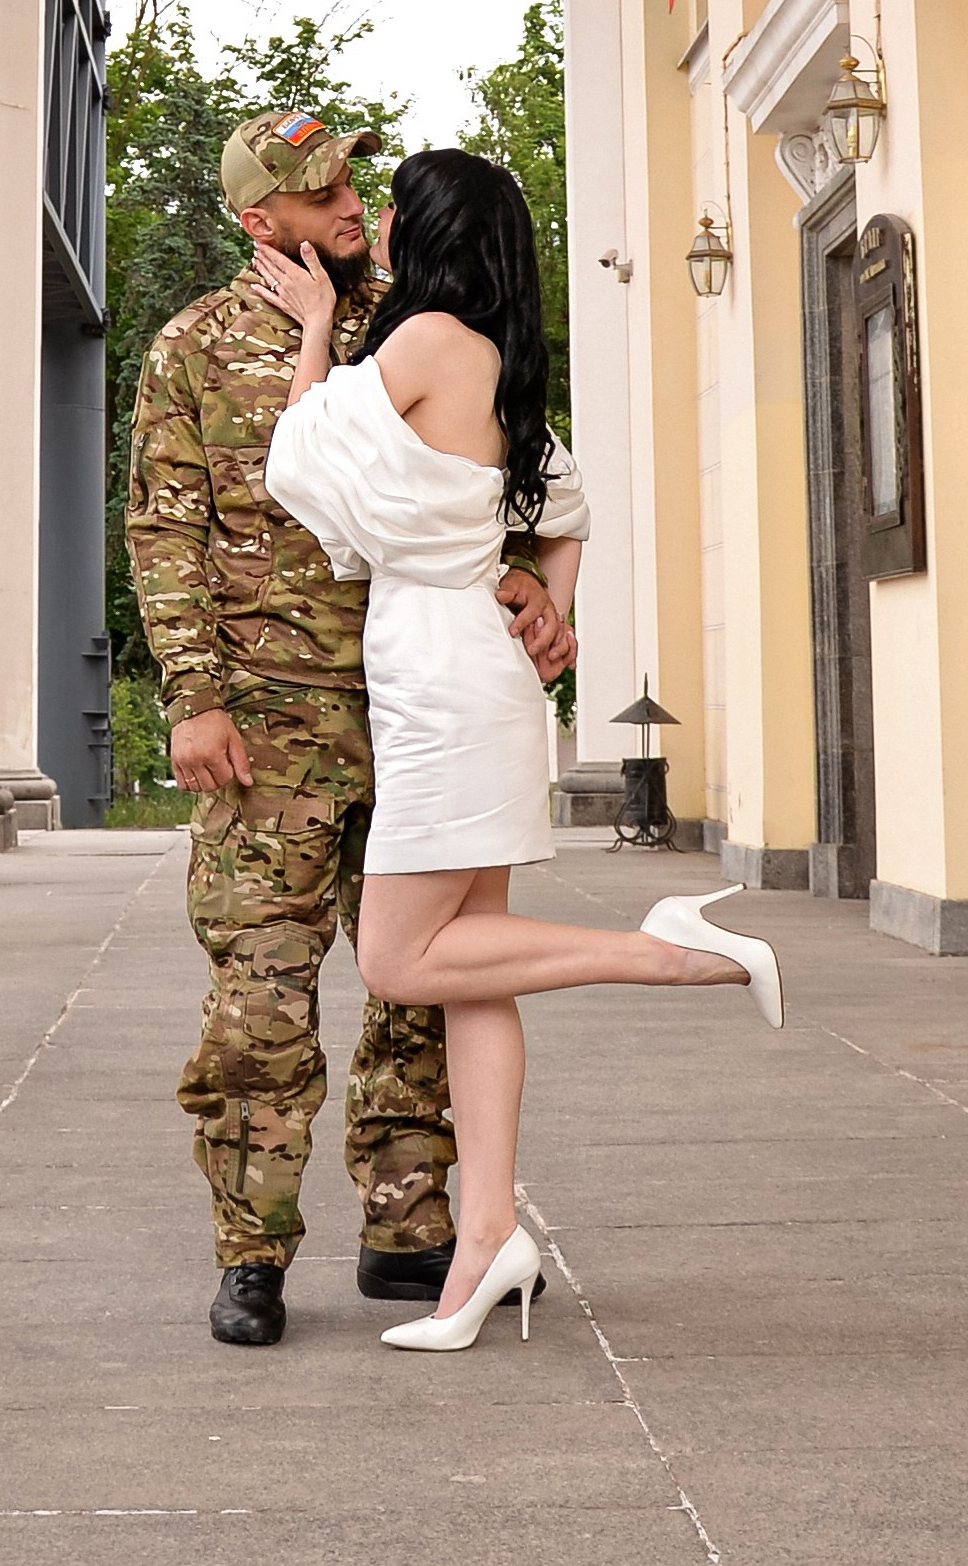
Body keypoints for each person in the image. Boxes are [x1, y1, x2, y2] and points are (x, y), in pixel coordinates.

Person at [258, 145, 782, 1355]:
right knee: (471, 971)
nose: (380, 221)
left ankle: (671, 951)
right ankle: (488, 1235)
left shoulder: (428, 338)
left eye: (396, 207)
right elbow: (568, 510)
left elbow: (296, 459)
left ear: (429, 229)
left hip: (441, 679)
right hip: (473, 672)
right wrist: (548, 600)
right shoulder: (498, 357)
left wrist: (317, 327)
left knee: (397, 957)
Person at [127, 108, 575, 1349]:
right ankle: (251, 1252)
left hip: (415, 712)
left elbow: (515, 475)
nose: (345, 206)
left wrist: (531, 575)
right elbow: (164, 533)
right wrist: (193, 694)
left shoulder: (418, 316)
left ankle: (408, 1226)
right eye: (319, 191)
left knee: (421, 994)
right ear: (257, 218)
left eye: (350, 185)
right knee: (260, 999)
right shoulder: (192, 349)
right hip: (269, 725)